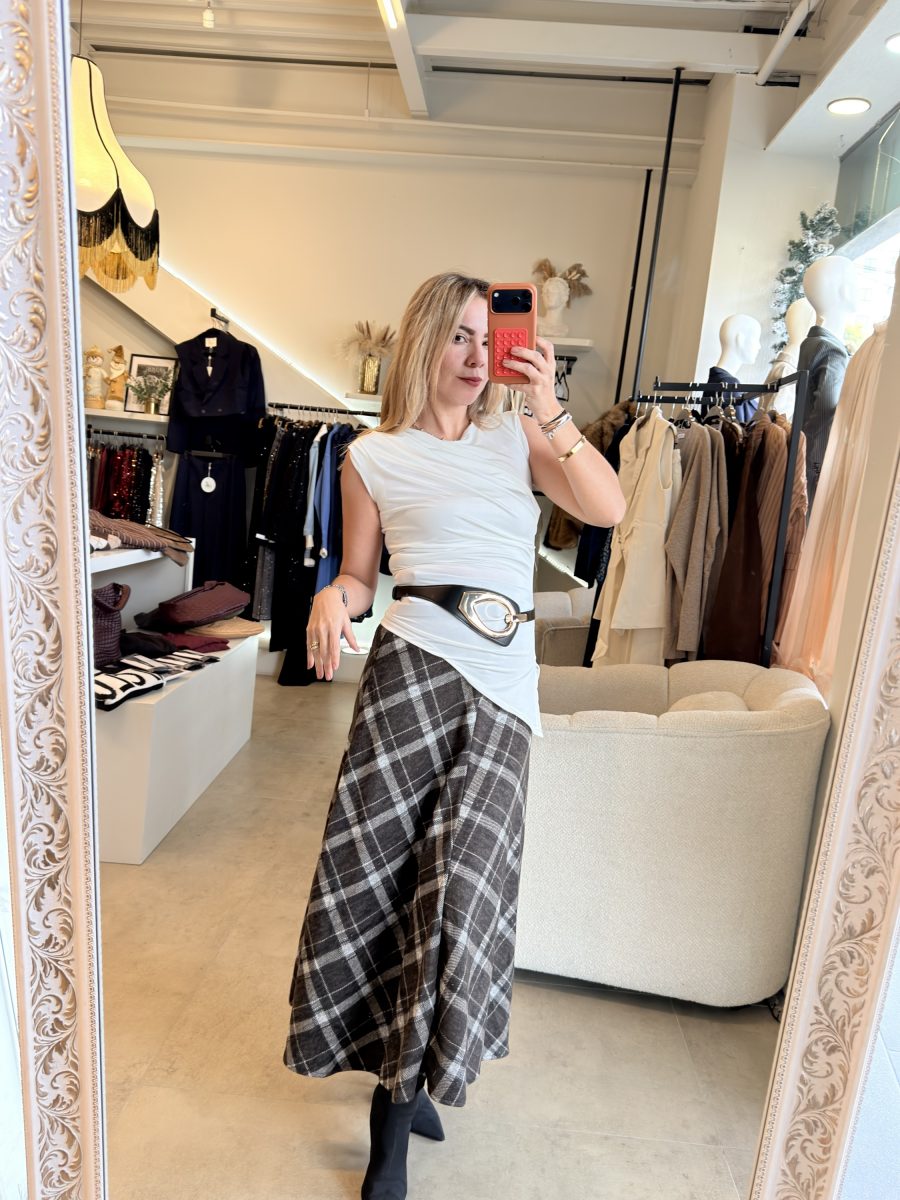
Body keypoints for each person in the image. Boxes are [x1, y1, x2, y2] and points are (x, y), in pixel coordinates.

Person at [283, 272, 625, 1200]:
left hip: (507, 691)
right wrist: (331, 597)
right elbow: (361, 577)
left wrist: (551, 408)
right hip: (410, 676)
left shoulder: (517, 436)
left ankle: (420, 1074)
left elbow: (607, 508)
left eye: (489, 337)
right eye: (461, 337)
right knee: (393, 890)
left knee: (462, 895)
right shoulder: (371, 457)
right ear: (425, 341)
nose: (478, 356)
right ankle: (394, 1120)